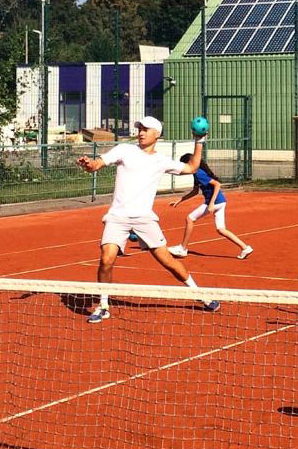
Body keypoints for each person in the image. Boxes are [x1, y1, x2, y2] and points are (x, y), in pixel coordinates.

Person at [76, 116, 219, 323]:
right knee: (107, 258)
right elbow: (98, 164)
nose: (141, 132)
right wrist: (89, 163)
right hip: (118, 217)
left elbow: (192, 168)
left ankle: (200, 294)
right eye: (140, 128)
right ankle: (103, 305)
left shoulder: (161, 161)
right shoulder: (124, 150)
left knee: (168, 262)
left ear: (157, 134)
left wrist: (199, 141)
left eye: (146, 129)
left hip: (144, 219)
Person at [167, 153, 253, 260]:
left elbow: (217, 184)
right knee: (221, 229)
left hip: (215, 202)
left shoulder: (199, 173)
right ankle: (245, 248)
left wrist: (211, 203)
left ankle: (183, 249)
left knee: (189, 219)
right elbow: (195, 191)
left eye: (184, 164)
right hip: (221, 202)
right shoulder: (197, 173)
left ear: (190, 163)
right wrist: (180, 200)